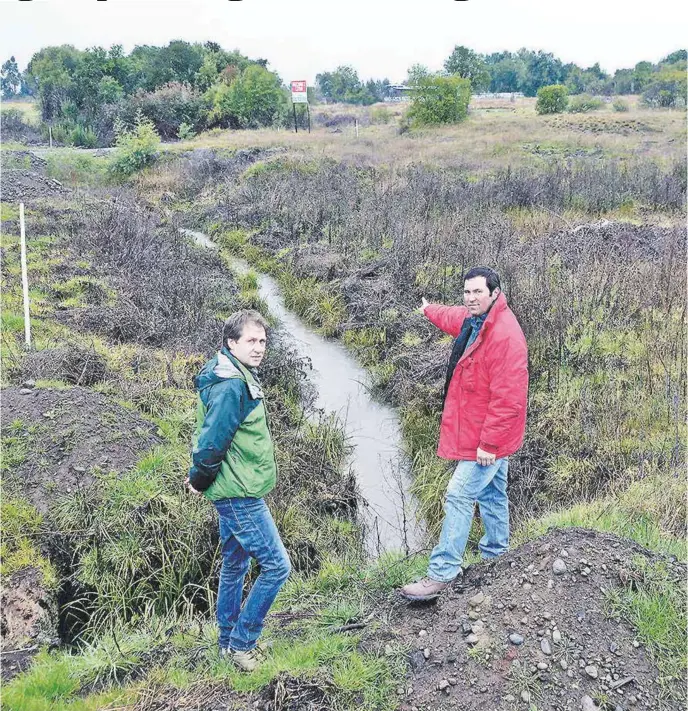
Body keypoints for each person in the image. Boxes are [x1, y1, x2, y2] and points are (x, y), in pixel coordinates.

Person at [400, 267, 528, 601]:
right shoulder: (477, 321)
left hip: (488, 440)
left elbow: (509, 398)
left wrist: (489, 444)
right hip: (485, 434)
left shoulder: (504, 336)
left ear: (495, 293)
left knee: (458, 494)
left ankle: (442, 573)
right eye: (467, 292)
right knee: (492, 494)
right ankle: (497, 555)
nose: (470, 298)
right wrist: (428, 310)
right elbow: (454, 316)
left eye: (477, 293)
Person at [186, 309, 291, 671]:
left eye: (263, 341)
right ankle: (242, 644)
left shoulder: (232, 372)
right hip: (239, 493)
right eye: (251, 341)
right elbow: (212, 442)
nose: (259, 348)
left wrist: (203, 479)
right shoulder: (232, 385)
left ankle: (225, 640)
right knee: (278, 567)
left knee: (234, 564)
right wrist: (199, 479)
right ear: (232, 343)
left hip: (234, 486)